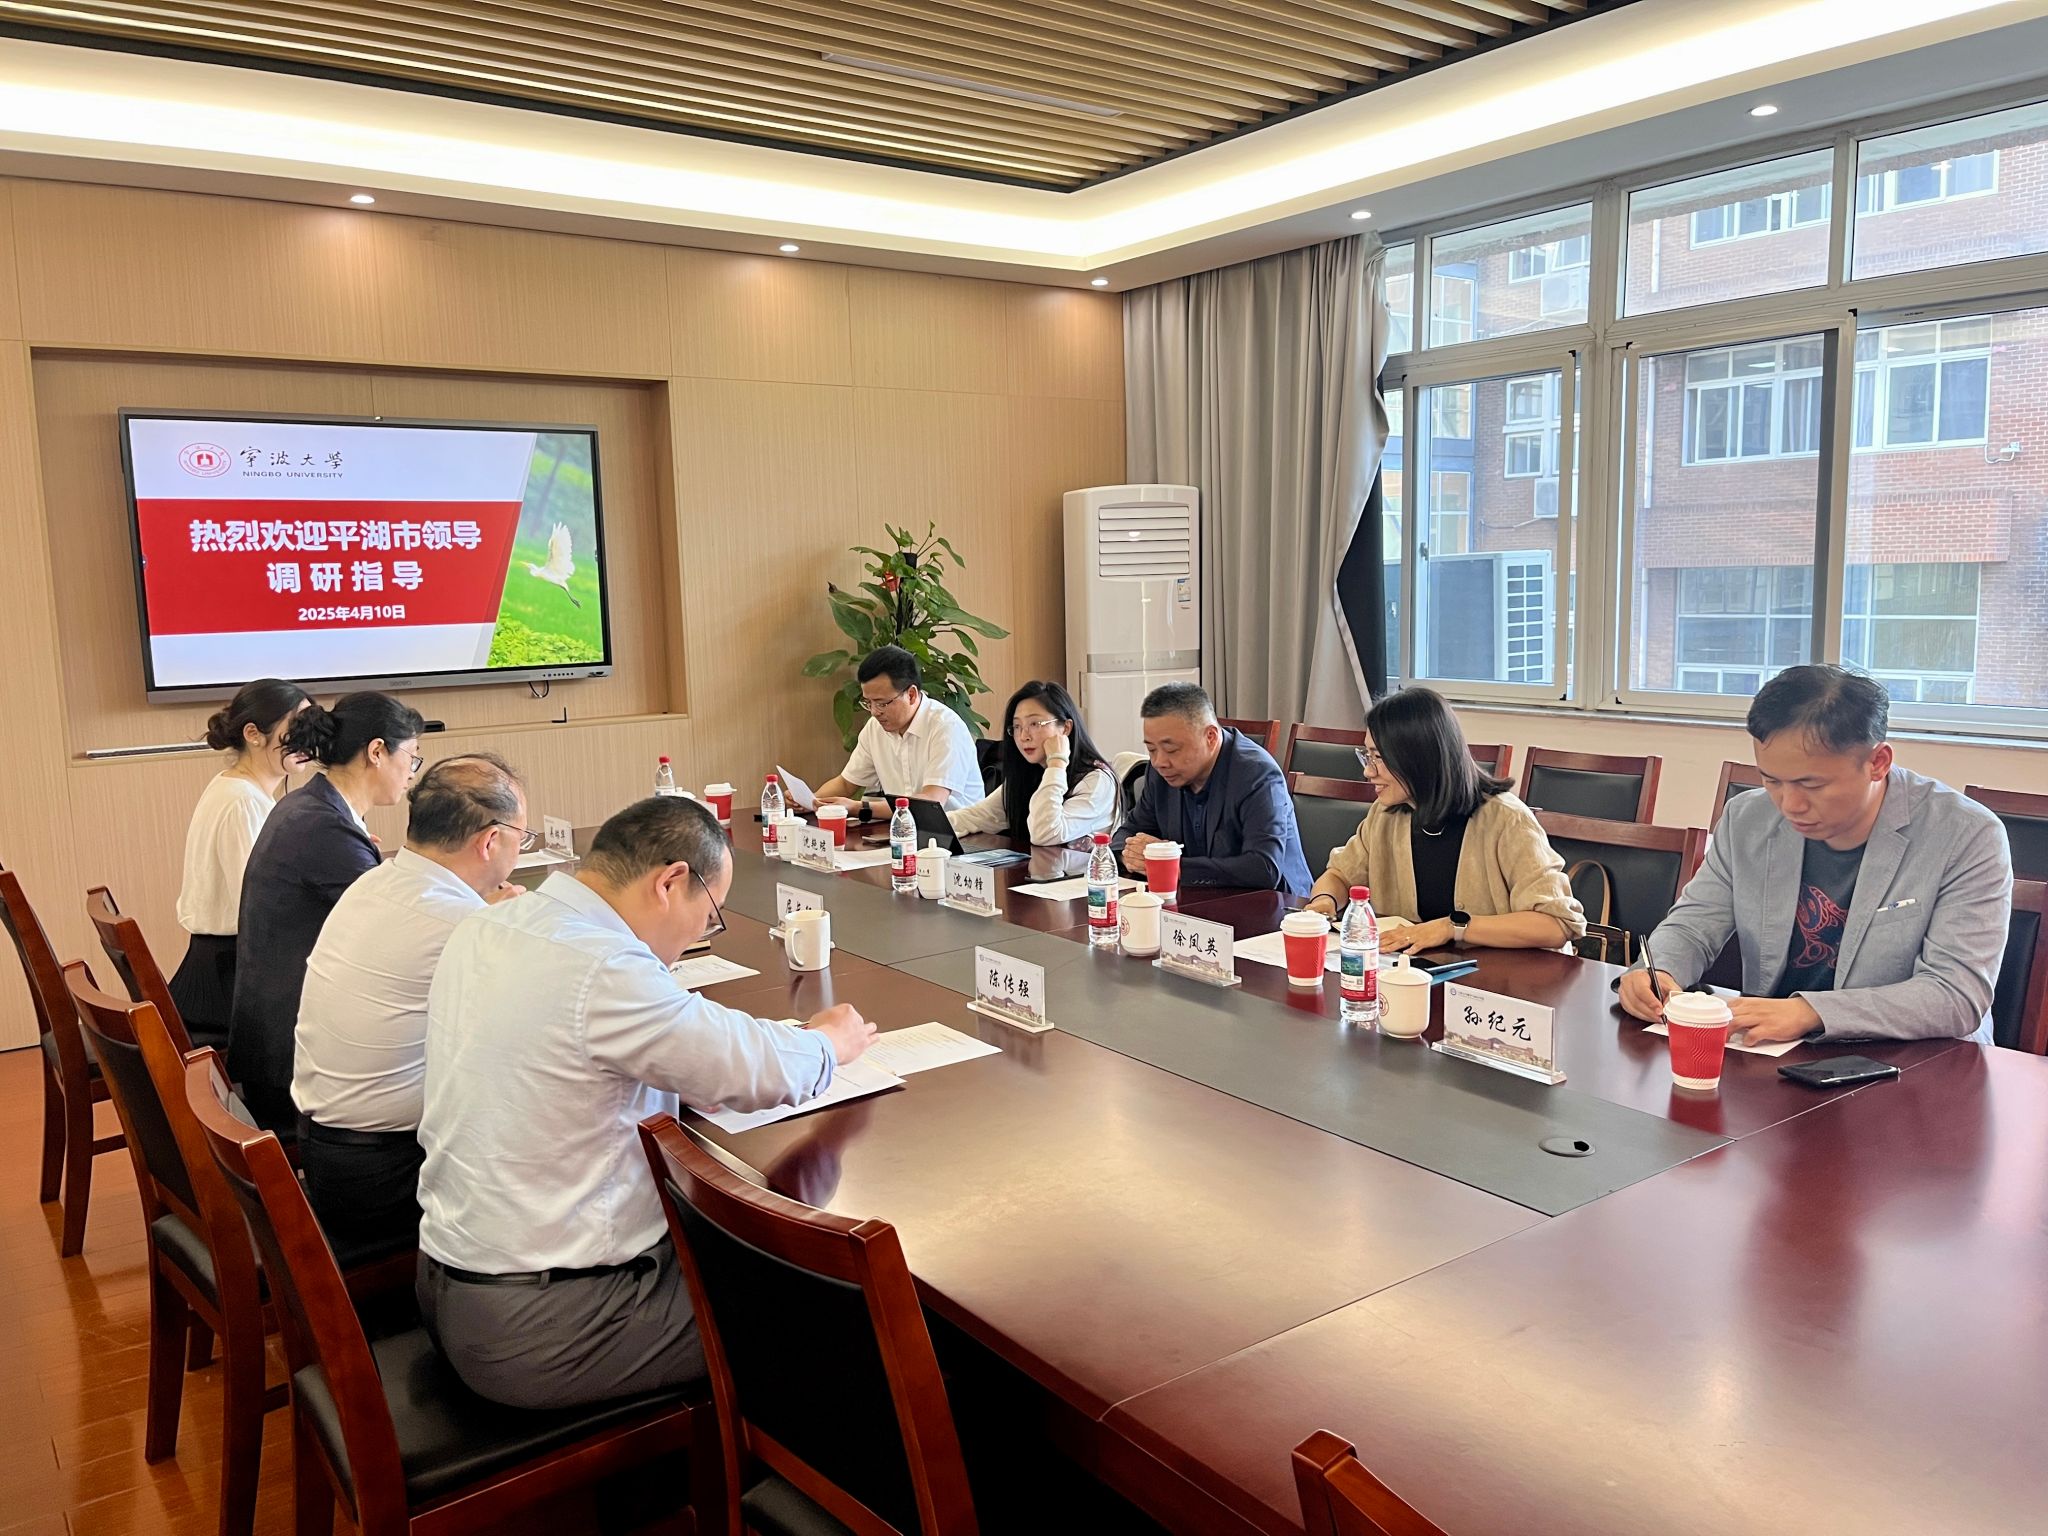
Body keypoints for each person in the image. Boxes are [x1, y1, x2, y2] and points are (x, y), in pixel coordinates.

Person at [414, 794, 879, 1411]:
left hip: (448, 1280)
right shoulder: (601, 966)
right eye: (708, 916)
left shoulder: (490, 924)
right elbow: (749, 1069)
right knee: (837, 1308)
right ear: (670, 882)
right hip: (545, 1324)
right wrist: (828, 1043)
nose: (699, 935)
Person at [1619, 665, 2011, 1045]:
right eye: (1771, 780)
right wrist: (1657, 971)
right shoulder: (1747, 819)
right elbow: (1693, 925)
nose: (1790, 805)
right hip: (1773, 1050)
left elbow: (1956, 994)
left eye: (1812, 785)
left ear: (1878, 763)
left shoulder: (1965, 834)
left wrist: (1811, 1012)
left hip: (1918, 1063)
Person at [291, 755, 529, 1263]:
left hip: (329, 1152)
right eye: (521, 839)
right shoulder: (460, 925)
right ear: (490, 841)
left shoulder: (374, 883)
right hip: (385, 1179)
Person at [227, 692, 425, 1133]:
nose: (413, 772)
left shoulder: (311, 806)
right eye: (412, 756)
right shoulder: (324, 825)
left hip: (275, 1037)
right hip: (292, 1060)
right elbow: (397, 932)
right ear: (377, 752)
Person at [1303, 688, 1585, 951]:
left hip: (1501, 976)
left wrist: (1453, 927)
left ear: (1419, 758)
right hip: (1418, 971)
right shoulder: (1386, 814)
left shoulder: (1506, 819)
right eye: (1367, 756)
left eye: (1379, 758)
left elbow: (1556, 924)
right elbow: (1340, 875)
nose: (1368, 771)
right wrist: (1324, 902)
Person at [170, 678, 310, 1051]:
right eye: (296, 728)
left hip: (225, 968)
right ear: (253, 734)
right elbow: (259, 909)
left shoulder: (237, 788)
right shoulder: (242, 802)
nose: (307, 741)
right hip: (225, 984)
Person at [1113, 683, 1311, 896]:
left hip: (1275, 905)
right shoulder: (1160, 772)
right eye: (1151, 749)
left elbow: (1263, 868)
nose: (1159, 761)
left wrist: (1172, 865)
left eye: (1171, 749)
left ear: (1210, 737)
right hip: (1195, 900)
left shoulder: (1257, 774)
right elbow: (1127, 834)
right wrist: (1131, 855)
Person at [812, 645, 983, 817]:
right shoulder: (874, 728)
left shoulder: (946, 727)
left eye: (882, 703)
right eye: (868, 702)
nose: (874, 712)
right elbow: (846, 784)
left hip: (958, 829)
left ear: (911, 695)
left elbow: (931, 802)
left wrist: (858, 808)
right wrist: (811, 801)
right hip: (903, 826)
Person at [950, 680, 1118, 845]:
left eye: (1035, 724)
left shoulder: (1096, 781)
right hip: (1039, 864)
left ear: (1066, 728)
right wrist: (935, 823)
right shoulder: (1030, 772)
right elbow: (976, 818)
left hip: (1081, 865)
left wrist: (1057, 762)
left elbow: (1045, 833)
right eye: (1017, 726)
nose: (1024, 736)